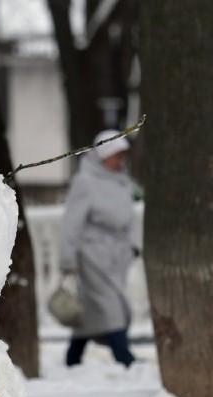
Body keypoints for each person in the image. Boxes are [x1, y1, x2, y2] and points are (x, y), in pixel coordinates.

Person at [58, 130, 137, 368]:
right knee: (111, 306)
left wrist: (133, 246)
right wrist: (67, 259)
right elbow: (71, 224)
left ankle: (73, 358)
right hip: (92, 256)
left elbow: (129, 218)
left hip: (117, 255)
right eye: (115, 155)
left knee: (93, 312)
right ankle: (124, 357)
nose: (119, 161)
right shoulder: (85, 182)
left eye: (122, 155)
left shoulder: (123, 181)